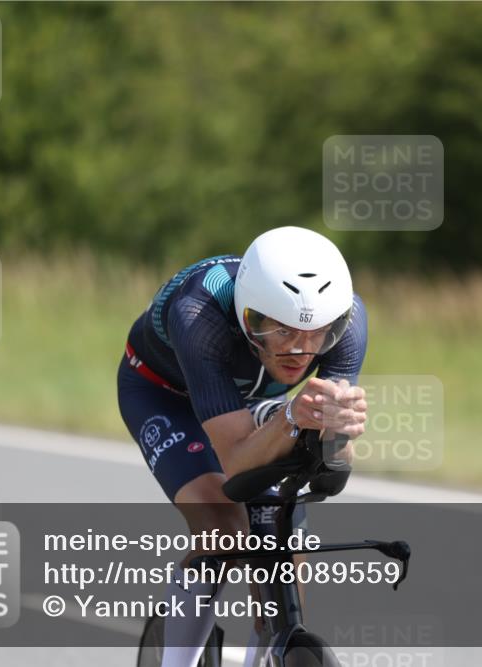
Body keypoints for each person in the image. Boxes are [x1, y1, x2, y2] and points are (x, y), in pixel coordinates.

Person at [116, 226, 368, 667]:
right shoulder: (199, 313)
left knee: (283, 543)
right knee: (223, 528)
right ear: (248, 316)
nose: (301, 350)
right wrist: (291, 417)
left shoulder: (348, 323)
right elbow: (235, 461)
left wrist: (338, 433)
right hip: (165, 395)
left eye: (318, 334)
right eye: (282, 330)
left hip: (257, 403)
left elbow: (334, 465)